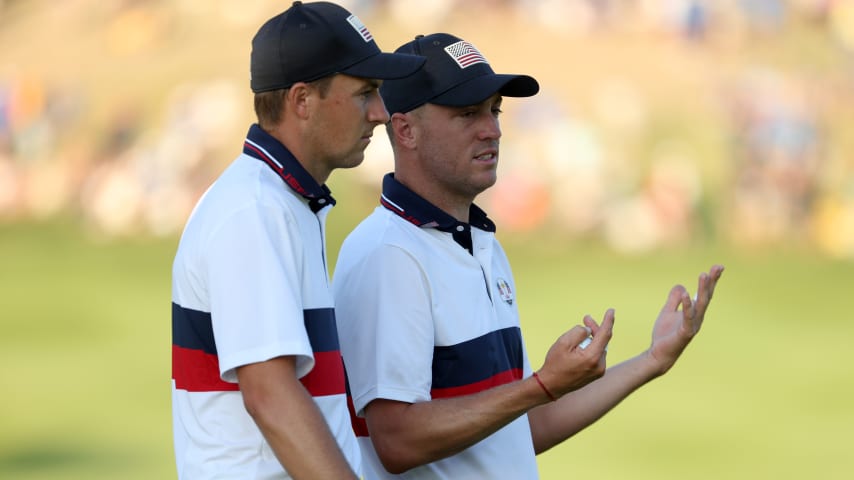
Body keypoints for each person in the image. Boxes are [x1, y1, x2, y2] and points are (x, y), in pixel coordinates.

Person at [332, 32, 725, 479]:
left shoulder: (482, 244)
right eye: (467, 113)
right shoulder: (389, 254)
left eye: (494, 110)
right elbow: (396, 441)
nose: (493, 129)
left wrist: (651, 360)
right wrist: (538, 386)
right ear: (405, 130)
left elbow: (518, 428)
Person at [170, 3, 424, 479]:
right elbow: (270, 393)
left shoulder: (284, 201)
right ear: (302, 100)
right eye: (365, 93)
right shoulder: (255, 209)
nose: (381, 113)